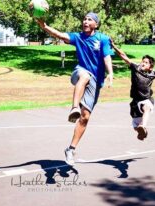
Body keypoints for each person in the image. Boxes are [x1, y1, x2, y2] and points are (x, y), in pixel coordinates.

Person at [36, 13, 114, 165]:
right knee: (84, 76)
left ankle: (70, 149)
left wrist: (110, 73)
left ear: (96, 25)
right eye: (84, 19)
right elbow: (59, 34)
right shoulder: (77, 37)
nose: (85, 21)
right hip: (79, 72)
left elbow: (106, 57)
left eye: (89, 19)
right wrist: (44, 26)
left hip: (96, 80)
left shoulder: (103, 39)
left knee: (85, 117)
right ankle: (74, 108)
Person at [111, 40, 155, 140]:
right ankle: (142, 131)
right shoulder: (135, 68)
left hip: (146, 99)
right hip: (135, 101)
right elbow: (123, 56)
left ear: (150, 66)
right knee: (135, 126)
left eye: (146, 62)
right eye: (142, 61)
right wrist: (114, 47)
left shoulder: (152, 73)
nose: (143, 63)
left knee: (146, 108)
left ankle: (143, 126)